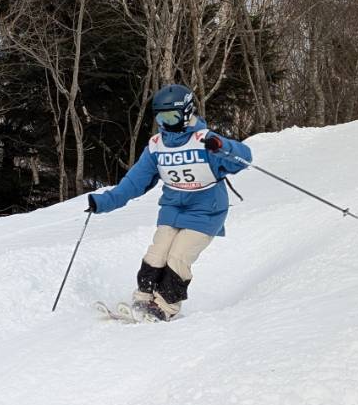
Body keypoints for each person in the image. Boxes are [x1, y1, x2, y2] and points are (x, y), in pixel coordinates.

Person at [85, 84, 252, 321]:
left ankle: (165, 307)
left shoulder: (204, 140)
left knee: (178, 256)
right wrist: (103, 202)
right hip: (172, 209)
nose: (166, 124)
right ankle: (143, 300)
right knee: (157, 253)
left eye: (172, 117)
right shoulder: (157, 146)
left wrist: (222, 148)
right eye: (161, 118)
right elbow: (133, 183)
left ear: (186, 112)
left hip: (206, 211)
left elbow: (243, 159)